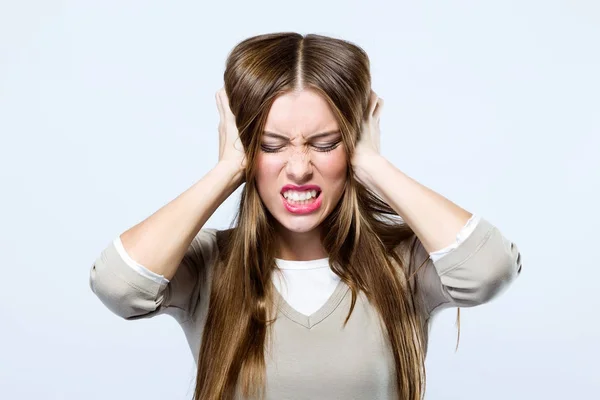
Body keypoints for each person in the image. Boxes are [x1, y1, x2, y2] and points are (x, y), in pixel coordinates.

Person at [89, 32, 522, 400]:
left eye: (326, 143)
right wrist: (225, 172)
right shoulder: (207, 266)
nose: (298, 168)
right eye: (272, 145)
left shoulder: (405, 264)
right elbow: (119, 287)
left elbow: (488, 271)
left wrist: (373, 166)